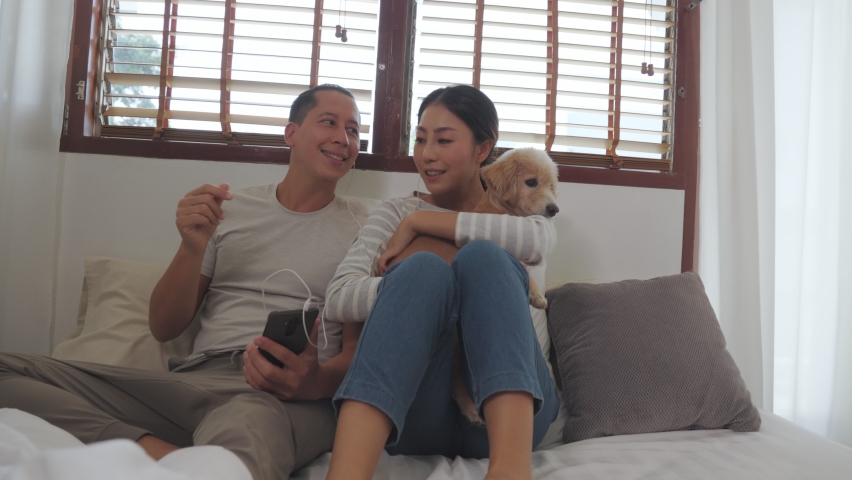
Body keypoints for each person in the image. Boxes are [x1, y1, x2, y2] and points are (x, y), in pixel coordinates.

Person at [0, 84, 368, 480]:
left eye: (353, 130)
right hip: (188, 385)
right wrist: (192, 247)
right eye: (329, 122)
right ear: (291, 133)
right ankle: (156, 453)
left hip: (281, 396)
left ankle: (177, 459)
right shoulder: (230, 211)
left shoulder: (365, 228)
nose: (342, 139)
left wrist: (313, 383)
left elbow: (358, 355)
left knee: (249, 427)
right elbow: (164, 327)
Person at [323, 85, 561, 480]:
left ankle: (511, 473)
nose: (427, 154)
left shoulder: (529, 209)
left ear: (482, 150)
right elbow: (339, 299)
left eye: (444, 140)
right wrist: (423, 291)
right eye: (420, 139)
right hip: (420, 409)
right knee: (423, 271)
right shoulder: (393, 213)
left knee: (482, 255)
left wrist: (422, 224)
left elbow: (537, 242)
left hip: (519, 410)